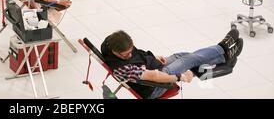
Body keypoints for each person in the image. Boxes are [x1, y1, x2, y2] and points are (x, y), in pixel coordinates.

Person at [101, 30, 244, 99]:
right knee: (188, 60)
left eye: (130, 51)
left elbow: (137, 56)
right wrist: (178, 77)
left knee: (182, 55)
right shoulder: (122, 69)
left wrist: (152, 57)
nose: (130, 55)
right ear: (115, 52)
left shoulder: (112, 42)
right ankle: (223, 50)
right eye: (126, 55)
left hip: (150, 68)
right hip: (153, 87)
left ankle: (222, 58)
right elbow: (155, 77)